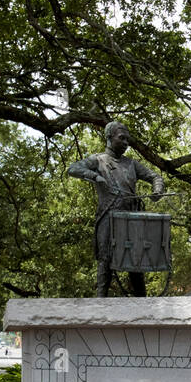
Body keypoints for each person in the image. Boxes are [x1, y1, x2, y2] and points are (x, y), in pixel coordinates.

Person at [67, 121, 166, 297]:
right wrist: (94, 176)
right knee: (104, 260)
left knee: (136, 261)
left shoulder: (132, 164)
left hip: (131, 218)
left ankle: (142, 304)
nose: (126, 143)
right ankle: (100, 301)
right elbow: (73, 168)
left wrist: (157, 190)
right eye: (122, 138)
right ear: (109, 137)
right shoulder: (98, 160)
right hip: (108, 215)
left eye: (128, 139)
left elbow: (155, 177)